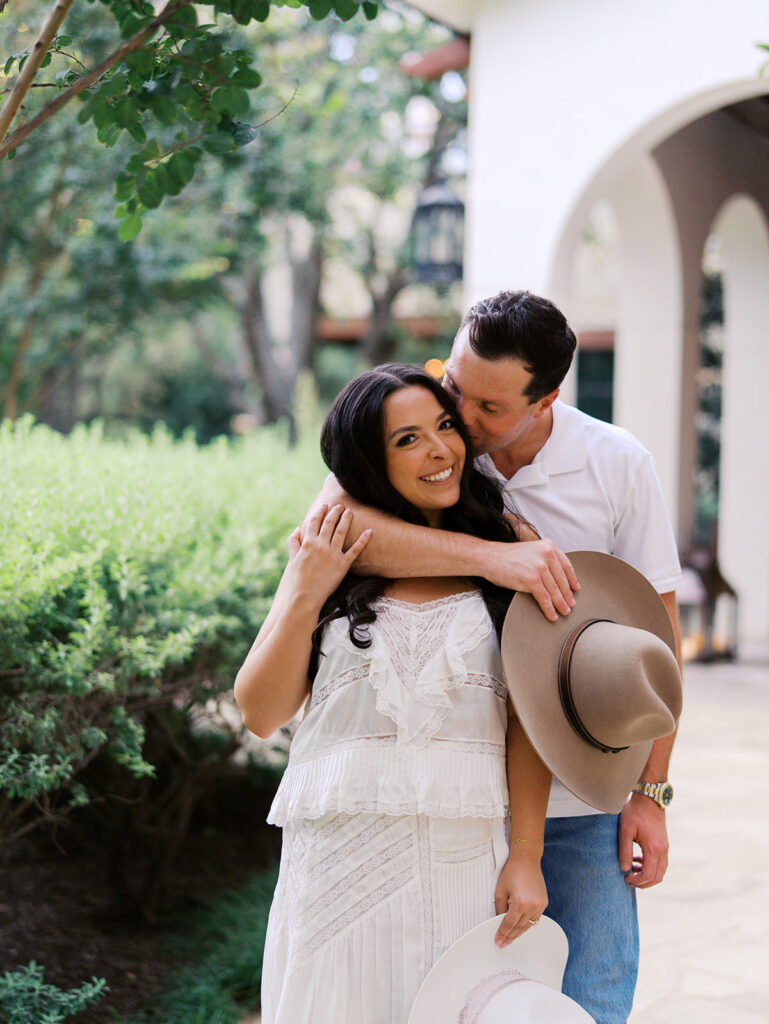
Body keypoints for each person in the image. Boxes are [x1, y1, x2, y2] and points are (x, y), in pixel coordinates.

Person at [311, 291, 682, 1024]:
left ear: (544, 399)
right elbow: (334, 529)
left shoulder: (616, 464)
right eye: (452, 385)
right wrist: (496, 556)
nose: (458, 419)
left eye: (485, 406)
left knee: (591, 999)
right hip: (453, 794)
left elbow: (656, 642)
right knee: (448, 999)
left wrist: (653, 793)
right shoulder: (424, 440)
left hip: (581, 793)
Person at [234, 364, 553, 1024]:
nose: (439, 450)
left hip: (461, 861)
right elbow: (260, 712)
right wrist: (305, 588)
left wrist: (525, 855)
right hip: (336, 862)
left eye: (444, 427)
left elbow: (531, 724)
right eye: (406, 439)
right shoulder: (330, 548)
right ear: (369, 461)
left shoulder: (511, 553)